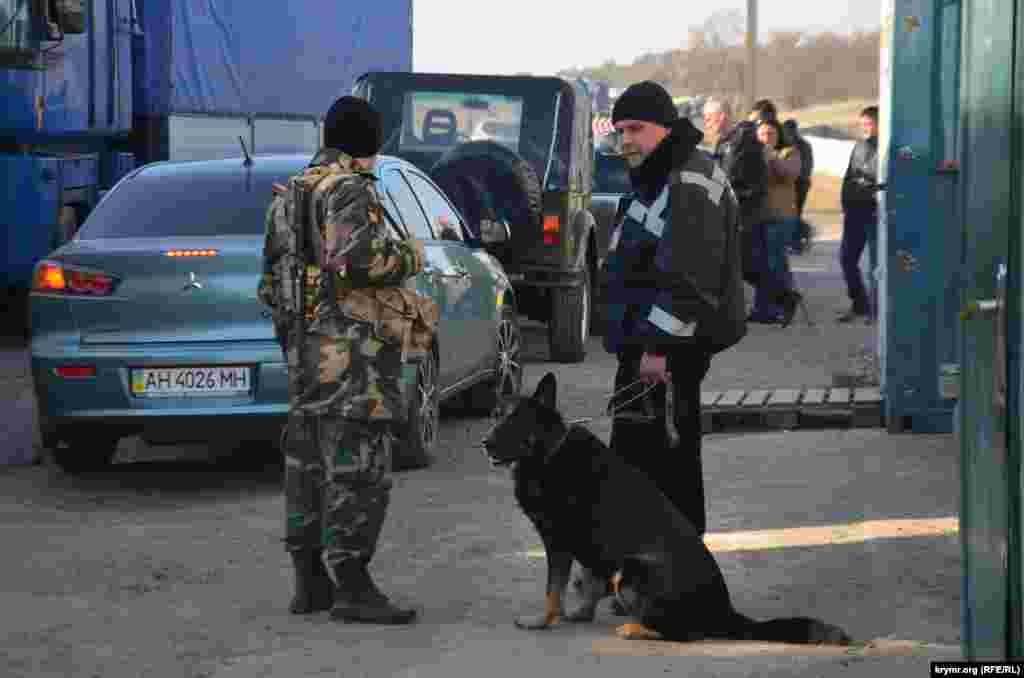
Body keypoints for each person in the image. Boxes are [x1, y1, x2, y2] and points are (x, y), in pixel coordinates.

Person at [257, 96, 427, 625]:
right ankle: (352, 584)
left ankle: (310, 583)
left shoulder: (289, 196)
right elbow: (358, 261)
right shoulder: (349, 188)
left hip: (304, 354)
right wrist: (412, 254)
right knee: (359, 468)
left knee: (306, 465)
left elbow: (268, 285)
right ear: (369, 145)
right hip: (352, 356)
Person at [603, 81, 746, 536]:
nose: (626, 140)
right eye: (619, 130)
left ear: (665, 128)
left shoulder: (689, 179)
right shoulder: (662, 172)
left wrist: (659, 349)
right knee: (636, 462)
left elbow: (690, 278)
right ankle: (637, 571)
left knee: (668, 467)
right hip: (647, 346)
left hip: (666, 353)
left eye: (635, 129)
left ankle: (678, 577)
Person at [747, 118, 804, 325]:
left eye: (770, 133)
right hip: (759, 215)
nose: (765, 138)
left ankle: (785, 302)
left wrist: (771, 156)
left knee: (776, 263)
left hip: (781, 217)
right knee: (761, 265)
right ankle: (763, 308)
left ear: (778, 134)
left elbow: (789, 175)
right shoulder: (754, 156)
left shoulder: (789, 152)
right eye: (761, 134)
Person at [838, 105, 880, 323]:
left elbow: (877, 178)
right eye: (863, 124)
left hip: (874, 212)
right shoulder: (859, 147)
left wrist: (868, 182)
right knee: (846, 258)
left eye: (870, 123)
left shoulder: (885, 147)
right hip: (854, 211)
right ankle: (859, 303)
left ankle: (877, 310)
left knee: (876, 264)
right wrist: (845, 203)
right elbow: (849, 177)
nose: (865, 128)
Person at [783, 118, 814, 219]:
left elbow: (807, 165)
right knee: (795, 212)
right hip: (802, 183)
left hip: (797, 183)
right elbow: (809, 165)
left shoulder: (788, 144)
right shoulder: (805, 144)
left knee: (791, 212)